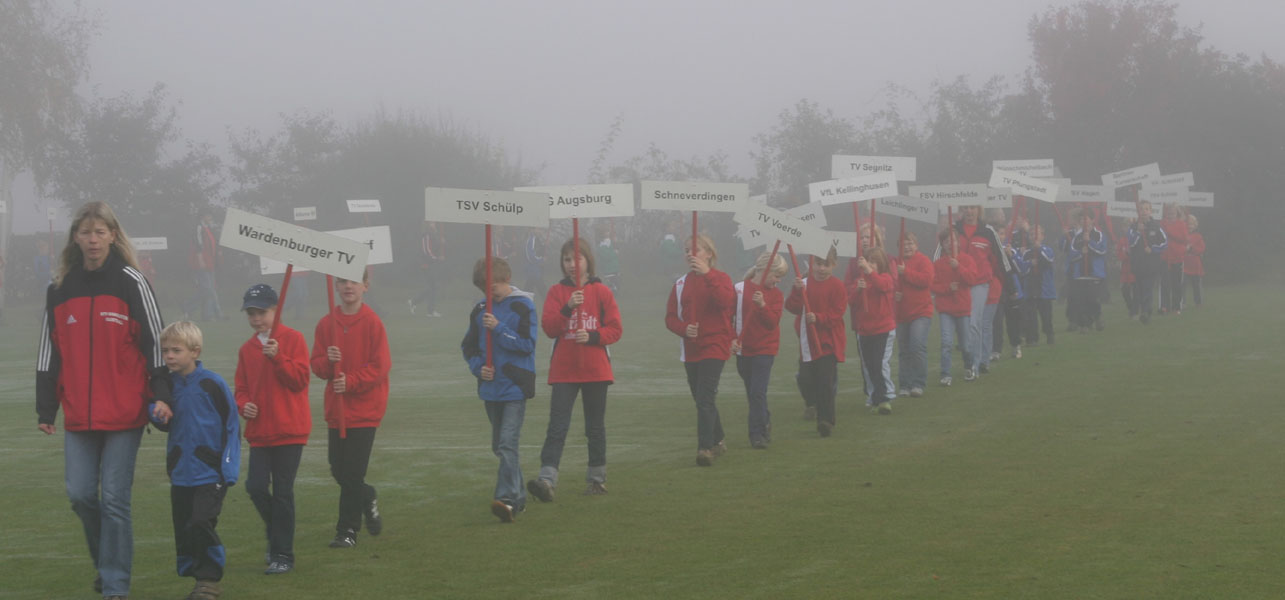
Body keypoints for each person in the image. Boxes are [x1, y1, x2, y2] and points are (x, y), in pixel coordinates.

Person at [36, 201, 170, 600]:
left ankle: (115, 586)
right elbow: (49, 352)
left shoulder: (132, 280)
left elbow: (156, 343)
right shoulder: (59, 289)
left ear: (113, 235)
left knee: (114, 500)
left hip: (125, 412)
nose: (92, 240)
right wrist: (47, 407)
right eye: (85, 232)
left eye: (100, 232)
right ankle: (106, 562)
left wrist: (162, 395)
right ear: (75, 238)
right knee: (80, 495)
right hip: (78, 414)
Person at [148, 321, 239, 600]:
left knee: (201, 521)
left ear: (195, 351)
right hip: (181, 472)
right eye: (166, 351)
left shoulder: (212, 384)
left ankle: (209, 580)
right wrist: (156, 413)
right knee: (185, 526)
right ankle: (196, 575)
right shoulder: (166, 386)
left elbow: (232, 426)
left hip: (210, 472)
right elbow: (163, 422)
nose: (170, 356)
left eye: (176, 350)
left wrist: (227, 468)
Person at [528, 239, 621, 502]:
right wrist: (568, 307)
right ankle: (547, 480)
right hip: (564, 370)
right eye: (567, 259)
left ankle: (596, 479)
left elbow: (615, 329)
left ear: (587, 261)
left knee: (594, 427)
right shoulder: (557, 292)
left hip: (595, 369)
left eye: (577, 259)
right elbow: (549, 328)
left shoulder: (602, 291)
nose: (571, 264)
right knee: (557, 426)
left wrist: (592, 336)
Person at [234, 284, 311, 575]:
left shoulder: (293, 339)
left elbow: (300, 380)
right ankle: (277, 530)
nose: (256, 319)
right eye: (251, 314)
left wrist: (278, 357)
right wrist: (244, 405)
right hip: (260, 431)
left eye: (262, 312)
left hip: (290, 429)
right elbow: (240, 388)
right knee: (254, 487)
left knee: (282, 493)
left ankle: (283, 554)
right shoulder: (246, 350)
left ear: (275, 310)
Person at [310, 269, 391, 546]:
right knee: (339, 471)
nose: (347, 287)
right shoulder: (325, 324)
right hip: (337, 410)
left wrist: (351, 381)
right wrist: (329, 363)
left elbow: (380, 367)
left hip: (365, 410)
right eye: (342, 281)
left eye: (353, 282)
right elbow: (317, 366)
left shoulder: (372, 323)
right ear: (335, 286)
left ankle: (347, 530)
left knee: (353, 472)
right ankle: (366, 495)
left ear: (365, 286)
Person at [461, 258, 537, 521]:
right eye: (483, 289)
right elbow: (468, 348)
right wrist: (479, 368)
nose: (487, 294)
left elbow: (528, 344)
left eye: (491, 288)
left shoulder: (523, 305)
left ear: (507, 278)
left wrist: (499, 328)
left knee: (507, 444)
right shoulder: (479, 310)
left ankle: (505, 500)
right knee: (500, 446)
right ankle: (519, 497)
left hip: (515, 386)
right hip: (491, 389)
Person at [665, 234, 735, 464]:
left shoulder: (721, 278)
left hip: (715, 345)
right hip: (691, 348)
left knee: (705, 397)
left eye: (696, 249)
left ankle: (705, 448)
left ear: (709, 254)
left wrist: (707, 275)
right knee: (701, 398)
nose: (690, 254)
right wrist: (684, 329)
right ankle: (719, 438)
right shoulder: (680, 284)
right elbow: (670, 318)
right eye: (686, 250)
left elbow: (726, 303)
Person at [786, 247, 847, 435]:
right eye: (818, 264)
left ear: (833, 265)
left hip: (828, 342)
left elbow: (838, 312)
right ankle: (812, 403)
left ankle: (826, 420)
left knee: (825, 381)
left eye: (826, 265)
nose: (821, 269)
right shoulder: (804, 283)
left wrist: (819, 318)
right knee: (805, 378)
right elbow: (792, 307)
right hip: (808, 342)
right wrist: (797, 292)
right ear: (812, 264)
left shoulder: (837, 286)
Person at [731, 250, 787, 449]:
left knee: (757, 392)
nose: (779, 281)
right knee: (752, 392)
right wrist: (732, 339)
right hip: (744, 350)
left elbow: (772, 323)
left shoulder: (777, 296)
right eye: (776, 275)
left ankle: (756, 434)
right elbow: (729, 318)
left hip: (766, 349)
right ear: (763, 270)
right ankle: (765, 419)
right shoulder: (738, 289)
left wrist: (762, 305)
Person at [850, 247, 896, 414]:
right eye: (868, 262)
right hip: (864, 330)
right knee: (869, 367)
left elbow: (882, 286)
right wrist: (858, 290)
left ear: (881, 263)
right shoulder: (860, 281)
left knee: (878, 363)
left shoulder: (885, 277)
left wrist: (869, 271)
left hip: (882, 329)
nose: (870, 265)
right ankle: (877, 398)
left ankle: (884, 398)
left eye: (873, 262)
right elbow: (852, 302)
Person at [931, 227, 979, 386]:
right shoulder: (937, 264)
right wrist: (946, 288)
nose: (950, 244)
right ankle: (945, 374)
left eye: (953, 240)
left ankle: (969, 366)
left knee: (965, 343)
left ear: (959, 242)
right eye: (946, 242)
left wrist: (958, 266)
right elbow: (932, 286)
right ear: (942, 245)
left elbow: (972, 279)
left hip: (963, 308)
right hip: (945, 309)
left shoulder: (967, 260)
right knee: (946, 342)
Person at [893, 233, 934, 398]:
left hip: (921, 312)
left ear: (916, 245)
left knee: (916, 346)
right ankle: (905, 384)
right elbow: (891, 282)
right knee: (903, 350)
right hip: (901, 313)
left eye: (910, 243)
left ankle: (918, 383)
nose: (907, 247)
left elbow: (927, 280)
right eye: (904, 244)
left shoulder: (924, 261)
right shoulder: (894, 263)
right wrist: (894, 293)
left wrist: (906, 272)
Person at [1063, 208, 1108, 332]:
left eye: (1086, 218)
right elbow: (1071, 254)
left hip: (1094, 273)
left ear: (1092, 220)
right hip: (1080, 273)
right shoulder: (1077, 236)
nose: (1084, 221)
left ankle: (1097, 316)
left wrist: (1090, 243)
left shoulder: (1099, 234)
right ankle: (1085, 324)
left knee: (1092, 299)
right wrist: (1080, 253)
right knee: (1081, 299)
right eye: (1082, 219)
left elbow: (1102, 250)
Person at [1128, 200, 1167, 324]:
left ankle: (1146, 312)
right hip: (1138, 264)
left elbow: (1165, 243)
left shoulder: (1156, 226)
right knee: (1139, 290)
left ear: (1150, 211)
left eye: (1146, 209)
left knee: (1148, 288)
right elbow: (1131, 243)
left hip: (1151, 264)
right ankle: (1140, 310)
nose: (1144, 211)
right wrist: (1138, 232)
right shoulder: (1133, 227)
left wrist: (1153, 249)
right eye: (1141, 209)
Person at [1017, 225, 1056, 346]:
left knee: (1046, 316)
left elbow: (1049, 260)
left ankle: (1049, 334)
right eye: (1032, 234)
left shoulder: (1047, 250)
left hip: (1044, 289)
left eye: (1037, 234)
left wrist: (1039, 249)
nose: (1035, 237)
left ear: (1042, 236)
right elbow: (1021, 269)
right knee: (1030, 316)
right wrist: (1029, 263)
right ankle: (1032, 338)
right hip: (1030, 288)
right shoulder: (1026, 252)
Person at [183, 209, 225, 321]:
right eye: (209, 216)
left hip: (210, 263)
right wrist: (200, 259)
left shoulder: (209, 229)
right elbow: (198, 243)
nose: (211, 218)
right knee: (207, 289)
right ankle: (187, 307)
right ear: (203, 216)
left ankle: (209, 315)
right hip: (201, 262)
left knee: (210, 290)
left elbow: (214, 244)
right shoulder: (199, 227)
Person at [409, 221, 445, 317]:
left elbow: (434, 248)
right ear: (427, 225)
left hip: (431, 263)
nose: (434, 224)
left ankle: (417, 303)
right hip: (426, 264)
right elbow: (426, 251)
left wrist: (441, 242)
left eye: (434, 223)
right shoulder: (426, 235)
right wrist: (437, 259)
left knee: (433, 287)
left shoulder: (433, 235)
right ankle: (427, 309)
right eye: (432, 223)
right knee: (433, 287)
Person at [1160, 204, 1189, 315]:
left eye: (1173, 212)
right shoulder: (1162, 224)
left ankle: (1176, 307)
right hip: (1165, 257)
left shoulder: (1181, 224)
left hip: (1177, 258)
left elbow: (1184, 239)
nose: (1171, 214)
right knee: (1165, 283)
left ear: (1177, 213)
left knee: (1176, 283)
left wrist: (1170, 233)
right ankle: (1164, 306)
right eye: (1169, 211)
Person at [1183, 214, 1205, 308]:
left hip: (1195, 266)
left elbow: (1201, 249)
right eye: (1188, 224)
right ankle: (1182, 302)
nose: (1189, 226)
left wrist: (1191, 248)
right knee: (1182, 285)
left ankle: (1198, 303)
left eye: (1192, 224)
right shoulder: (1182, 236)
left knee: (1196, 286)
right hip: (1184, 265)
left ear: (1195, 225)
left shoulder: (1198, 236)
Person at [522, 228, 547, 298]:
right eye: (538, 229)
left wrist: (544, 245)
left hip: (534, 270)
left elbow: (539, 251)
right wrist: (541, 260)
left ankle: (524, 304)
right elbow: (530, 256)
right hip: (532, 270)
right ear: (533, 229)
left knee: (528, 291)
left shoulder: (536, 239)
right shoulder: (531, 239)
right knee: (542, 290)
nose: (540, 231)